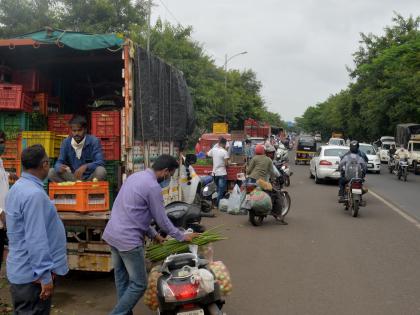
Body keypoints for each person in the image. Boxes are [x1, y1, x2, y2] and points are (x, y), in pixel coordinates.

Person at [102, 155, 198, 315]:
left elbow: (134, 213)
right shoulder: (153, 187)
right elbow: (162, 219)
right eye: (171, 175)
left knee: (122, 280)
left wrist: (154, 235)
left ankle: (124, 312)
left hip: (113, 235)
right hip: (128, 241)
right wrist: (181, 236)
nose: (169, 179)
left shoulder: (135, 177)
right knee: (139, 283)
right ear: (166, 171)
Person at [6, 144, 68, 314]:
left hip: (21, 272)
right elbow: (36, 239)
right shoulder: (34, 195)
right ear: (45, 164)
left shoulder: (17, 188)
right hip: (32, 278)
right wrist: (45, 277)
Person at [49, 115, 107, 182]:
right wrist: (59, 167)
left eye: (79, 130)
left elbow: (101, 162)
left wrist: (86, 166)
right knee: (51, 172)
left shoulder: (94, 141)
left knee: (101, 171)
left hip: (90, 178)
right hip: (72, 178)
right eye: (74, 131)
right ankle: (71, 190)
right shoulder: (66, 142)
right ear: (71, 130)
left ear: (85, 130)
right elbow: (59, 161)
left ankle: (87, 189)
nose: (76, 133)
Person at [207, 138, 229, 207]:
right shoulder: (225, 152)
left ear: (219, 143)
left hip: (214, 173)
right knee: (221, 190)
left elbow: (207, 154)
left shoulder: (213, 150)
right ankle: (217, 204)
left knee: (216, 189)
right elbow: (226, 164)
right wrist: (228, 164)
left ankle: (213, 203)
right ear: (224, 144)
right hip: (222, 173)